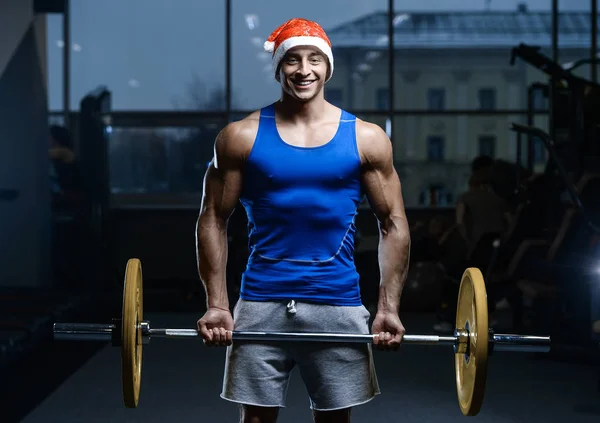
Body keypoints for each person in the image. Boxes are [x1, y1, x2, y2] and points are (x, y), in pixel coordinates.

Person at [195, 18, 411, 423]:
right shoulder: (240, 136)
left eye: (314, 59)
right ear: (278, 68)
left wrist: (387, 308)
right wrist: (218, 305)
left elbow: (393, 223)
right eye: (292, 60)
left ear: (328, 67)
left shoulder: (366, 138)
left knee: (334, 420)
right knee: (255, 420)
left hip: (338, 305)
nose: (304, 70)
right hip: (261, 303)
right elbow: (212, 219)